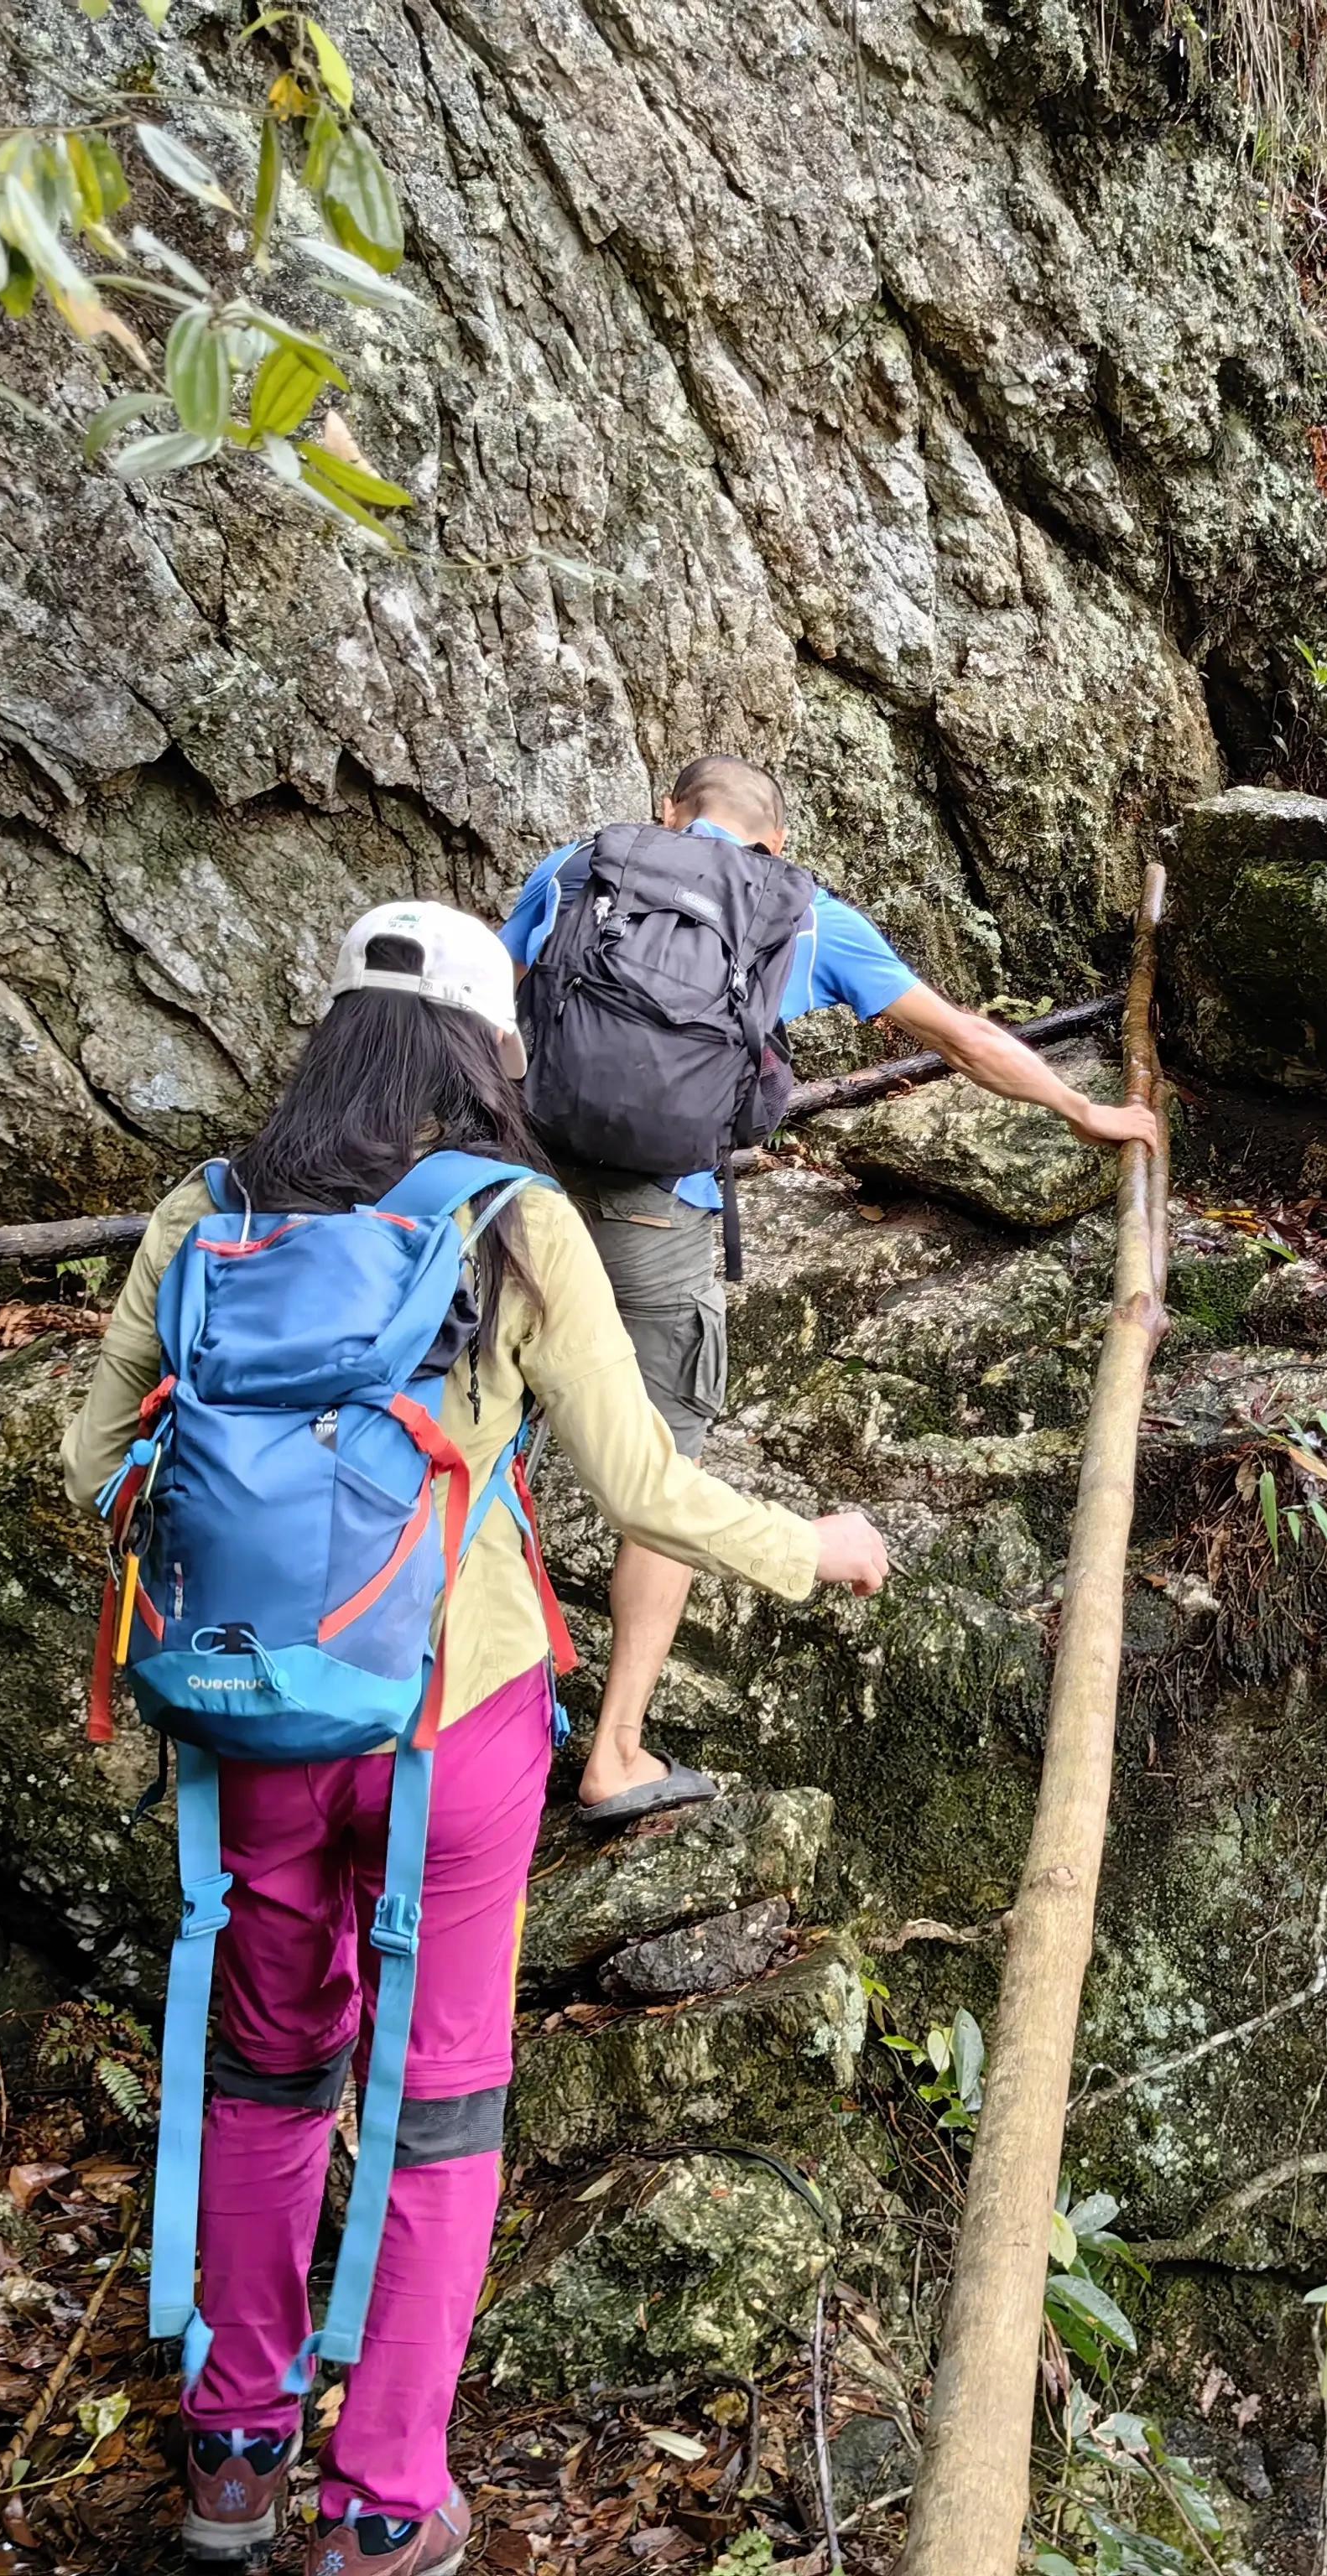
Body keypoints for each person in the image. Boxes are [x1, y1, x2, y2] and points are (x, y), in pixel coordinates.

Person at [63, 901, 889, 2576]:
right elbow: (642, 1483)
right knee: (436, 2099)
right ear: (488, 1047)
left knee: (266, 2071)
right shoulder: (511, 1221)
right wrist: (812, 1548)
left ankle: (233, 2457)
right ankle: (382, 2503)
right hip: (454, 1720)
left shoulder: (204, 1212)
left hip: (252, 1725)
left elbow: (92, 1464)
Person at [506, 751, 1161, 1825]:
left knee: (486, 1422)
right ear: (776, 843)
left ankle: (453, 1700)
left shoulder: (580, 870)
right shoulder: (804, 915)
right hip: (656, 1215)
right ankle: (615, 1751)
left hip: (520, 1191)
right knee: (663, 1468)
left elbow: (479, 1016)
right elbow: (964, 1039)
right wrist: (1089, 1113)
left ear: (670, 812)